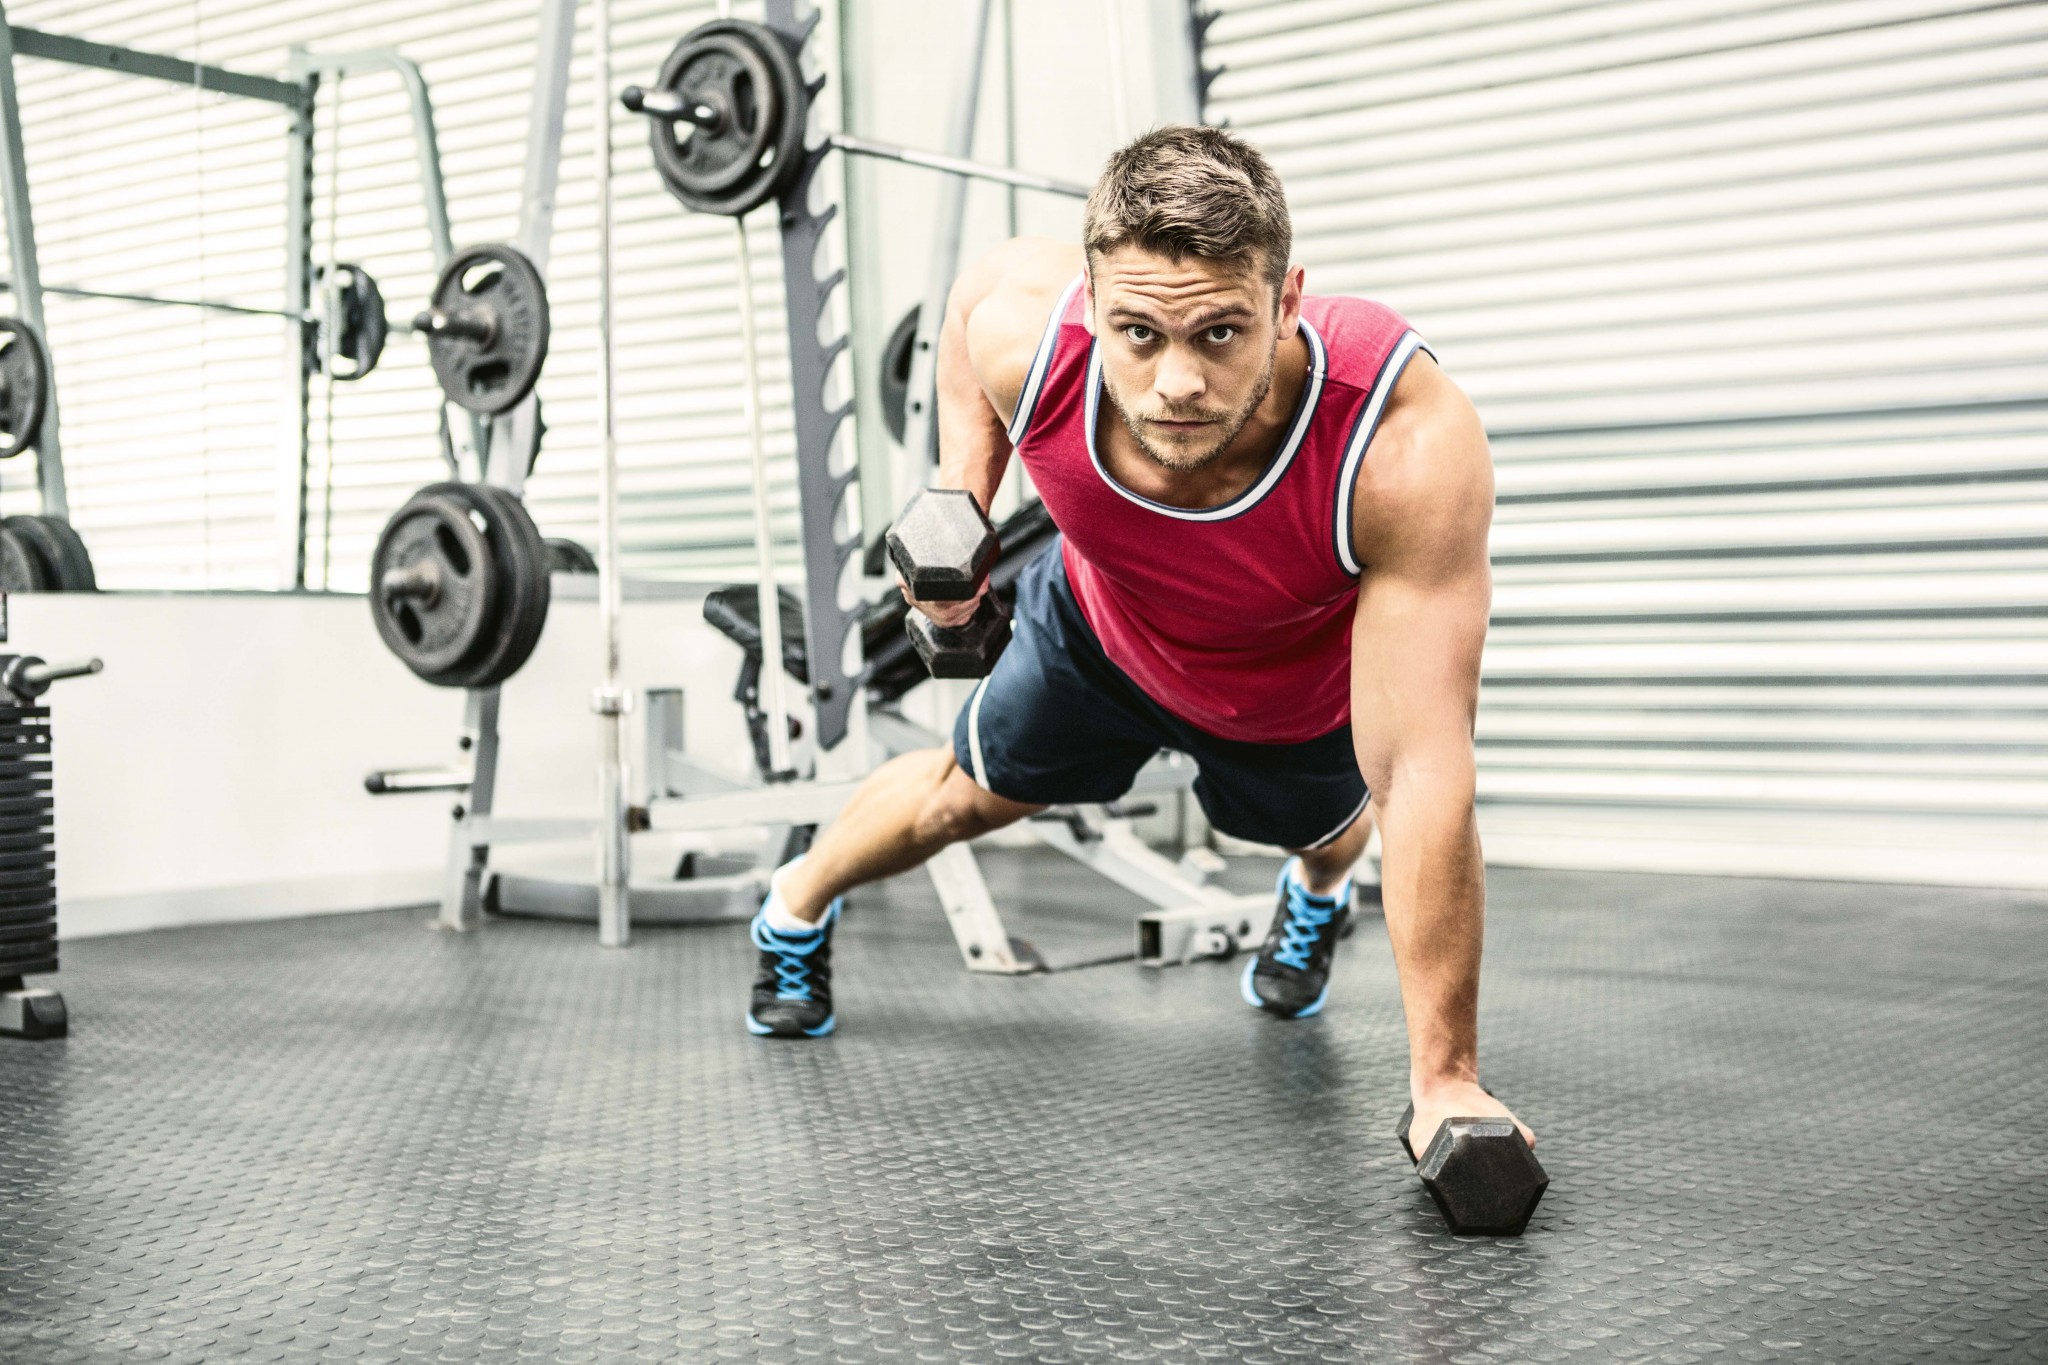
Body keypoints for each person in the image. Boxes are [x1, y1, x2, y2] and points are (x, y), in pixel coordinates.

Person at [743, 124, 1534, 1158]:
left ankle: (1316, 894)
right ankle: (791, 908)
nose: (1176, 384)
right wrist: (957, 495)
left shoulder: (1396, 442)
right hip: (1100, 634)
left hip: (1286, 687)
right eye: (1139, 334)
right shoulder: (1032, 347)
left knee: (1331, 824)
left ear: (1287, 303)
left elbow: (1421, 772)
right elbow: (971, 304)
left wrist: (1446, 1080)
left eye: (1220, 332)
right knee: (959, 796)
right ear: (1090, 303)